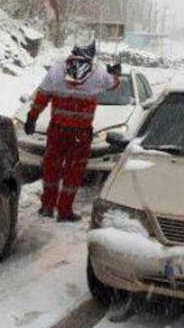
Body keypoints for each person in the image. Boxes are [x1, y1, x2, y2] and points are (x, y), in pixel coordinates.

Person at [24, 43, 120, 222]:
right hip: (80, 133)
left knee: (51, 167)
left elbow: (42, 96)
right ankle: (64, 211)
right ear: (91, 56)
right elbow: (113, 84)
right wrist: (115, 73)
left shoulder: (56, 71)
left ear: (73, 53)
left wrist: (32, 117)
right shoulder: (98, 73)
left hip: (57, 130)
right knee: (73, 171)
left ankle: (47, 206)